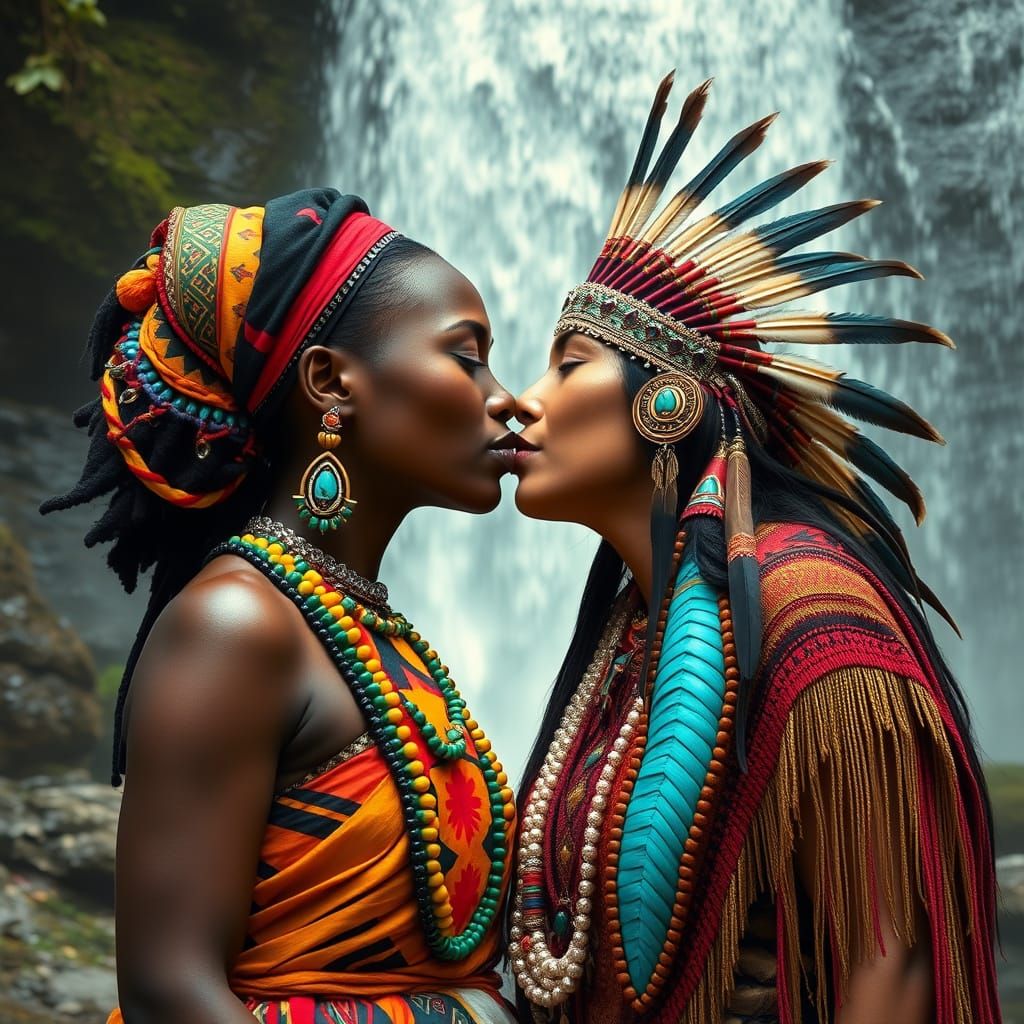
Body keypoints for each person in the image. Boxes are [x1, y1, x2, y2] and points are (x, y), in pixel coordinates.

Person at [507, 75, 999, 1024]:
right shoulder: (631, 630)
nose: (524, 399)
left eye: (567, 365)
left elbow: (887, 972)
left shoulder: (818, 619)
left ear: (666, 400)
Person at [43, 189, 520, 1023]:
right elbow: (167, 991)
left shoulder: (362, 628)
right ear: (332, 381)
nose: (506, 397)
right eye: (467, 356)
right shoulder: (236, 625)